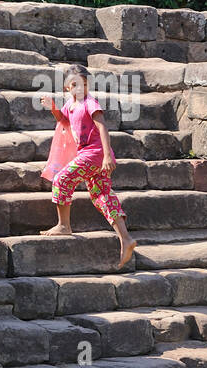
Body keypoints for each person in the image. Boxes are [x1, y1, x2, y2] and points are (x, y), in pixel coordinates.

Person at [38, 64, 137, 268]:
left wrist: (107, 156)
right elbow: (64, 120)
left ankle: (64, 225)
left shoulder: (90, 103)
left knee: (62, 179)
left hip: (95, 154)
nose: (79, 88)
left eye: (83, 84)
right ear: (67, 88)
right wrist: (53, 108)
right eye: (74, 84)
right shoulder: (71, 104)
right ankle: (126, 239)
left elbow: (102, 126)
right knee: (101, 194)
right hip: (89, 154)